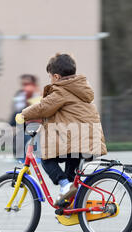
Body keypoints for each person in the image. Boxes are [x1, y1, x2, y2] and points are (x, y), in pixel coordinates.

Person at [15, 53, 107, 204]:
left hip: (77, 140)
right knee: (72, 167)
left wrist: (23, 115)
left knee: (44, 157)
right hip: (89, 140)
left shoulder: (61, 90)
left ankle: (64, 186)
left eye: (50, 76)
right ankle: (69, 203)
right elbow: (65, 115)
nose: (50, 80)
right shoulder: (80, 89)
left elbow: (44, 107)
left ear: (56, 77)